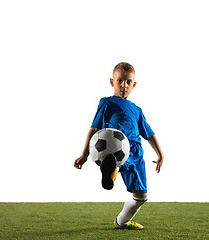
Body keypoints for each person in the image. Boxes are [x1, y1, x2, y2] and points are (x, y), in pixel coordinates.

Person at [74, 62, 164, 230]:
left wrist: (160, 154)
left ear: (134, 84)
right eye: (120, 81)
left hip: (136, 154)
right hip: (115, 148)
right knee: (114, 156)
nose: (124, 85)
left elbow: (149, 134)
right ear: (111, 82)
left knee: (141, 196)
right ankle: (110, 168)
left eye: (128, 82)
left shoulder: (136, 109)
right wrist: (84, 154)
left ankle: (121, 222)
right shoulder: (107, 103)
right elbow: (94, 128)